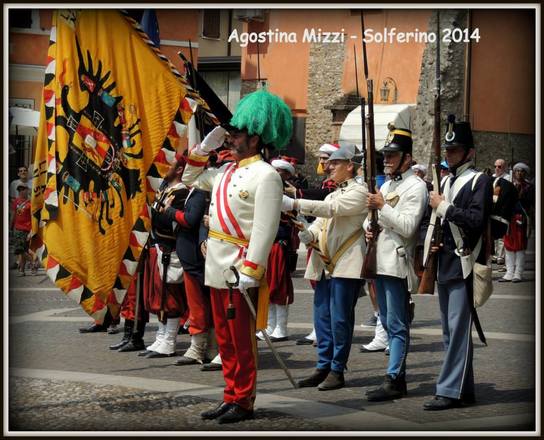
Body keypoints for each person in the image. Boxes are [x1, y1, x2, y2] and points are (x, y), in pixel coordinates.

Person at [183, 88, 289, 424]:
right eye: (230, 133)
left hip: (239, 268)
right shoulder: (226, 172)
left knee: (242, 341)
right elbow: (190, 178)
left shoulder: (267, 176)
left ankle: (243, 400)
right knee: (225, 340)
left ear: (256, 139)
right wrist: (204, 147)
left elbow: (264, 228)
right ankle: (229, 395)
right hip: (216, 268)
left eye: (238, 133)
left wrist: (252, 268)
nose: (231, 138)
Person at [282, 143, 368, 391]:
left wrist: (295, 203)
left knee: (340, 320)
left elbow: (331, 210)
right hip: (324, 262)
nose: (329, 167)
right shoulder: (332, 193)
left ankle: (337, 369)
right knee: (321, 318)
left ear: (350, 166)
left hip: (346, 263)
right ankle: (323, 365)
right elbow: (319, 225)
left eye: (335, 163)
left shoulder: (360, 192)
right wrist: (303, 230)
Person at [423, 115, 493, 411]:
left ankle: (449, 390)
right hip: (445, 262)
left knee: (458, 329)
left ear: (469, 153)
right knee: (450, 331)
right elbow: (437, 221)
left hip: (465, 262)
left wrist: (445, 207)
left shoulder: (479, 180)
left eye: (455, 150)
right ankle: (464, 389)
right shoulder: (447, 180)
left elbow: (476, 220)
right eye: (448, 151)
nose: (449, 155)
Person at [363, 127, 428, 402]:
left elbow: (408, 226)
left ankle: (395, 378)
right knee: (388, 321)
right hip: (380, 260)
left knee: (398, 324)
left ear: (407, 158)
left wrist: (382, 207)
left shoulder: (416, 186)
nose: (386, 160)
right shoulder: (388, 185)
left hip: (397, 261)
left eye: (392, 155)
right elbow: (372, 218)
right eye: (385, 155)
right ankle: (393, 373)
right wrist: (368, 226)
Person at [162, 156, 216, 366]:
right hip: (190, 256)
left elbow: (191, 220)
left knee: (199, 304)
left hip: (194, 257)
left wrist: (170, 211)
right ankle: (207, 347)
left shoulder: (199, 192)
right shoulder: (195, 191)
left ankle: (199, 348)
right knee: (201, 303)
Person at [138, 159, 189, 359]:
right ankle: (161, 336)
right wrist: (159, 208)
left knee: (171, 296)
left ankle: (169, 340)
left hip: (171, 249)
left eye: (167, 164)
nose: (161, 168)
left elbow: (163, 219)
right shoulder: (164, 190)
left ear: (179, 169)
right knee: (158, 296)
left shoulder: (181, 192)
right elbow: (156, 214)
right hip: (158, 246)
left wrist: (159, 209)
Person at [289, 143, 339, 346]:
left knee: (326, 286)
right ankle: (320, 327)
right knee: (317, 283)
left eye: (325, 159)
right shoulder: (327, 182)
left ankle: (327, 329)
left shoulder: (333, 185)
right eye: (320, 158)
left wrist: (296, 195)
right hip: (316, 233)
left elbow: (323, 199)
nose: (321, 163)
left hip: (330, 239)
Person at [258, 158, 296, 342]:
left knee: (279, 287)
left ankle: (281, 326)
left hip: (279, 245)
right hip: (267, 244)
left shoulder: (287, 196)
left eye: (279, 172)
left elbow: (288, 224)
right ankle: (270, 324)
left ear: (286, 175)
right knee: (267, 287)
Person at [499, 162, 534, 283]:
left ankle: (518, 273)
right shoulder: (508, 185)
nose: (519, 173)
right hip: (509, 218)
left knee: (520, 247)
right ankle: (509, 272)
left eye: (522, 171)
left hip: (521, 218)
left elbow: (529, 203)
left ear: (525, 173)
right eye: (517, 171)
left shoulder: (529, 187)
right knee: (508, 245)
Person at [10, 185, 34, 276]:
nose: (21, 191)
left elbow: (33, 218)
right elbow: (13, 215)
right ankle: (22, 270)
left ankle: (32, 262)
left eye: (23, 189)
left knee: (22, 250)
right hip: (18, 228)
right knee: (20, 250)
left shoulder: (31, 203)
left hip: (27, 229)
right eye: (19, 190)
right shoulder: (16, 201)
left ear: (27, 190)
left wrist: (32, 230)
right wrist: (10, 227)